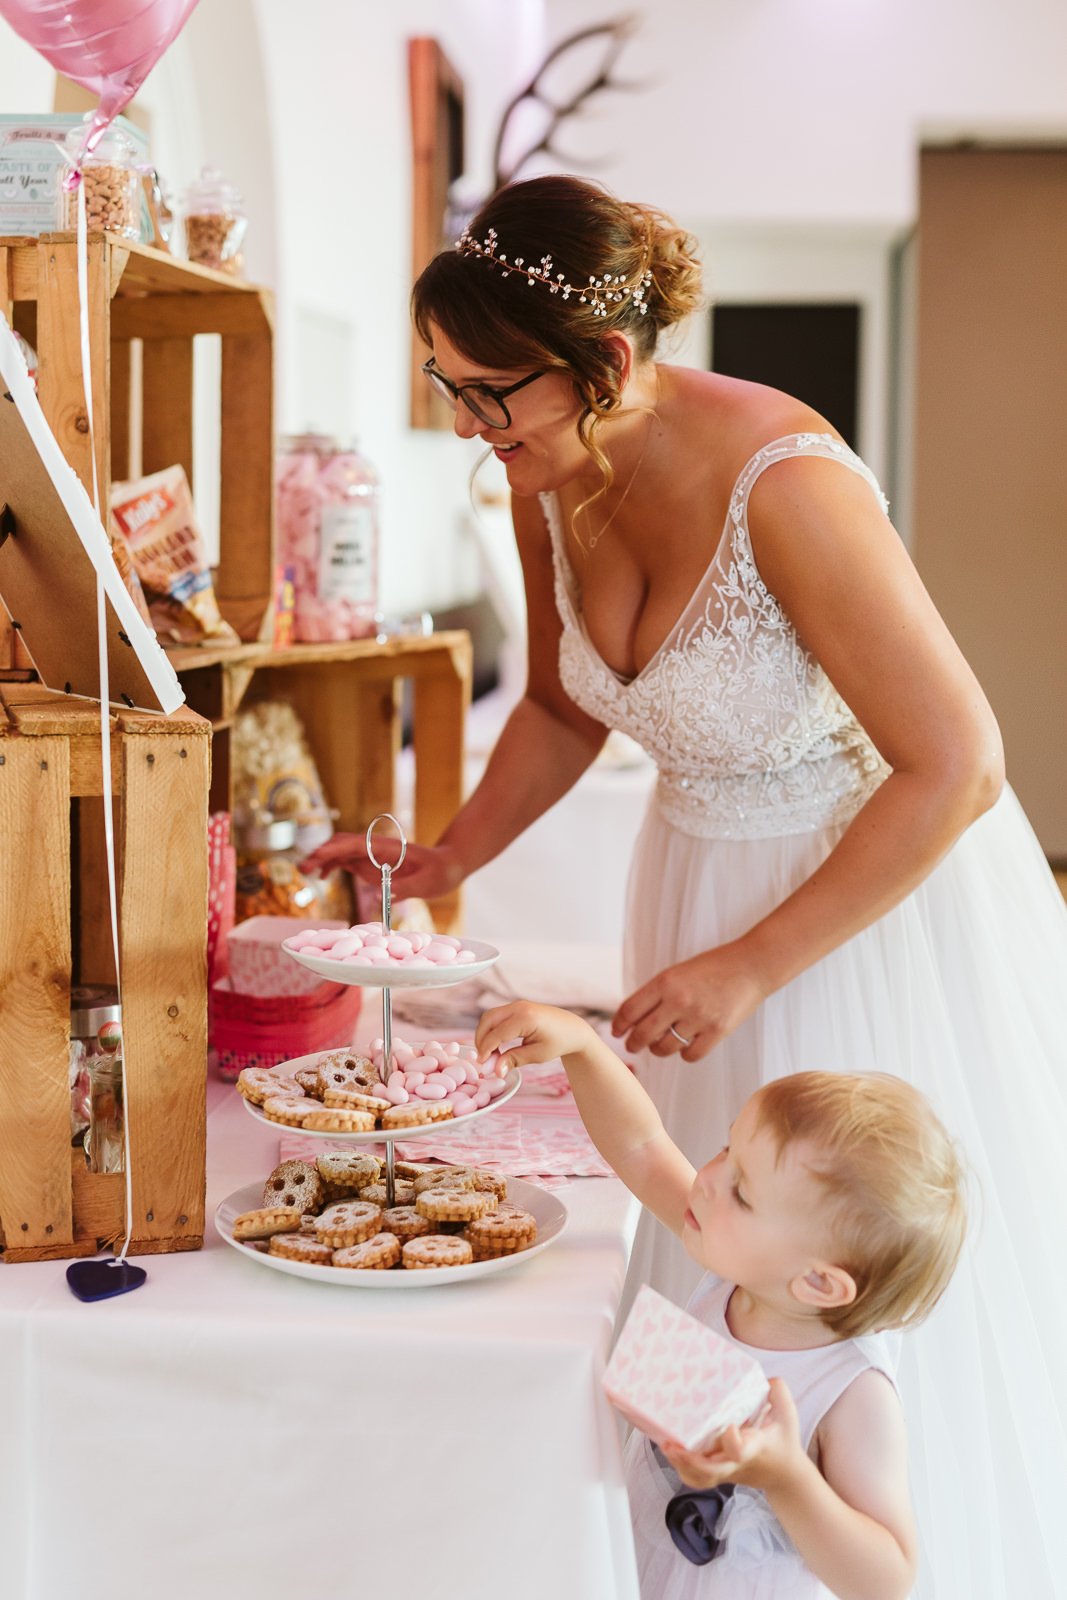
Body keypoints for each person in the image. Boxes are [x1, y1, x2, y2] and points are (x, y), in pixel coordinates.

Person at [304, 174, 1067, 1596]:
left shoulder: (787, 482)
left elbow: (958, 764)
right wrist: (449, 855)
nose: (466, 427)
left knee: (821, 1244)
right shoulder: (545, 473)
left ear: (600, 362)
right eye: (444, 387)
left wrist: (751, 963)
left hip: (845, 902)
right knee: (699, 1219)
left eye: (487, 393)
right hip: (688, 882)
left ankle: (852, 1535)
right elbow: (559, 705)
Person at [476, 1000, 969, 1600]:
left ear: (818, 1283)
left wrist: (786, 1477)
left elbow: (887, 1578)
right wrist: (582, 1047)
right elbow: (641, 1146)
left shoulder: (853, 1392)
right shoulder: (737, 1272)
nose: (708, 1180)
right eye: (727, 1150)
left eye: (743, 1192)